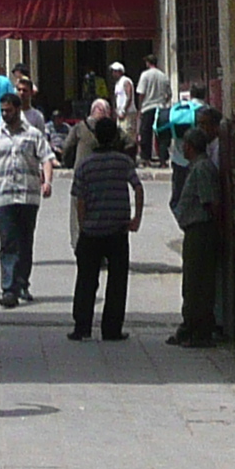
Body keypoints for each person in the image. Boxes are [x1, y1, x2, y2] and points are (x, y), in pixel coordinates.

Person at [67, 116, 143, 341]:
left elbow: (79, 199)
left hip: (91, 231)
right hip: (118, 230)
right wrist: (136, 218)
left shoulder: (85, 164)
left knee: (86, 281)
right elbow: (138, 188)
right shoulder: (123, 162)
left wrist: (82, 227)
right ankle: (112, 329)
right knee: (117, 282)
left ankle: (82, 327)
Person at [0, 91, 55, 307]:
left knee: (25, 242)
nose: (5, 114)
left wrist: (47, 182)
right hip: (4, 196)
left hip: (28, 196)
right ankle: (9, 289)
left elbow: (46, 159)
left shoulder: (33, 135)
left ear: (17, 109)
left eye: (8, 110)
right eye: (2, 111)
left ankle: (22, 283)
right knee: (8, 242)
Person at [170, 114, 230, 346]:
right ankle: (190, 326)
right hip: (193, 229)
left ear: (191, 147)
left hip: (201, 230)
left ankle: (200, 330)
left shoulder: (203, 168)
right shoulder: (197, 167)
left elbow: (211, 202)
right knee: (191, 282)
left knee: (199, 283)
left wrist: (216, 230)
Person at [135, 60, 173, 164]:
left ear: (147, 63)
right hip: (160, 108)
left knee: (146, 133)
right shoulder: (163, 76)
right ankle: (163, 159)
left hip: (148, 107)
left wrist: (140, 107)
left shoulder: (145, 75)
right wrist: (164, 102)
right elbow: (169, 94)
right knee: (162, 134)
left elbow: (141, 93)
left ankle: (146, 158)